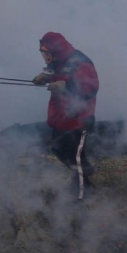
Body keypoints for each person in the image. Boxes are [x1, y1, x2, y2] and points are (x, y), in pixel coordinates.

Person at [32, 32, 99, 200]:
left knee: (76, 159)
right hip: (60, 118)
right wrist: (44, 78)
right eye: (43, 53)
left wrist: (66, 86)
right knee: (58, 149)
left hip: (78, 121)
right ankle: (84, 175)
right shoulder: (57, 61)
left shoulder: (80, 62)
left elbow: (91, 88)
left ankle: (83, 195)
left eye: (46, 53)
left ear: (55, 50)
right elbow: (51, 71)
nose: (44, 56)